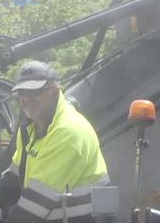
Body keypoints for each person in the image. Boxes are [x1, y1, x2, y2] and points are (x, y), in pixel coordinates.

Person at [7, 60, 108, 195]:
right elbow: (17, 175)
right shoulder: (29, 129)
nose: (26, 99)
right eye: (21, 93)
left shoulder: (68, 132)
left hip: (83, 216)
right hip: (52, 214)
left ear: (54, 92)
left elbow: (38, 202)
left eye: (34, 92)